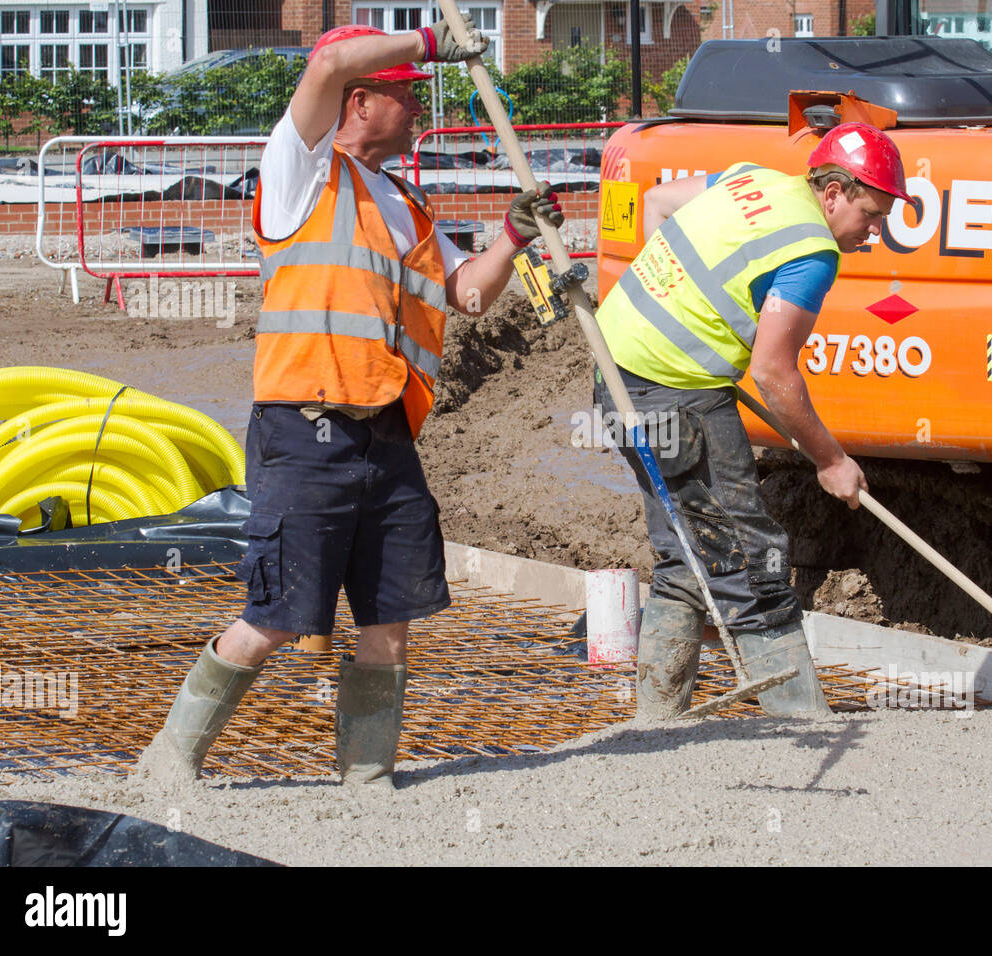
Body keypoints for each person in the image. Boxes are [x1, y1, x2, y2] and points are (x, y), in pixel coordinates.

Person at [137, 16, 564, 787]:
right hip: (304, 429)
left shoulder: (403, 203)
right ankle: (168, 763)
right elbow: (328, 59)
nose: (421, 111)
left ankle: (365, 782)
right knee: (275, 617)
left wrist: (512, 237)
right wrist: (432, 43)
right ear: (361, 101)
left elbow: (466, 294)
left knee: (389, 621)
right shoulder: (300, 168)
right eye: (408, 95)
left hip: (385, 437)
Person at [593, 122, 911, 720]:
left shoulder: (751, 180)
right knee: (751, 558)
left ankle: (656, 719)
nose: (877, 231)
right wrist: (831, 460)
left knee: (686, 549)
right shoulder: (811, 252)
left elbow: (657, 204)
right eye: (872, 214)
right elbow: (773, 373)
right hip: (678, 396)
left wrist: (672, 307)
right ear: (835, 192)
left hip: (614, 373)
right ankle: (802, 721)